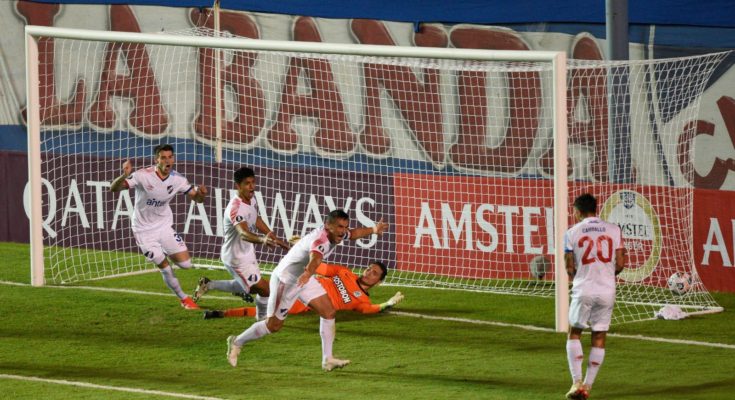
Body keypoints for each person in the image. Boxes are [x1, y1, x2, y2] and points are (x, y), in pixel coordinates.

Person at [226, 209, 388, 371]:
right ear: (327, 225)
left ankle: (327, 359)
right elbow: (315, 258)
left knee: (328, 312)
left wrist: (373, 230)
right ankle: (237, 341)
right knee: (273, 326)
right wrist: (308, 273)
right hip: (287, 280)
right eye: (339, 227)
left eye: (345, 226)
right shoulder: (320, 241)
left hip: (303, 278)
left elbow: (353, 234)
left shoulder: (337, 234)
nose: (343, 231)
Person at [109, 144, 207, 309]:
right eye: (164, 157)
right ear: (156, 160)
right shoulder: (142, 175)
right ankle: (184, 299)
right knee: (164, 266)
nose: (168, 161)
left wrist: (201, 194)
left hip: (164, 227)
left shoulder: (178, 179)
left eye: (170, 157)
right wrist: (123, 176)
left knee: (186, 264)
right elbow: (114, 188)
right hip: (143, 231)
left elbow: (197, 199)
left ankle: (166, 256)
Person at [192, 166, 289, 320]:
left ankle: (208, 284)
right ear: (238, 186)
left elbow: (256, 219)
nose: (252, 187)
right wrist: (263, 240)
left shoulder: (251, 199)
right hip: (236, 258)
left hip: (247, 252)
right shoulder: (235, 208)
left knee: (251, 286)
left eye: (253, 182)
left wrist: (275, 238)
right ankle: (262, 319)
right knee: (264, 290)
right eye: (247, 184)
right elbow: (243, 233)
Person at [563, 193, 626, 400]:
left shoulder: (572, 232)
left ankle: (576, 383)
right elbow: (620, 263)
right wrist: (608, 275)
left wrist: (577, 277)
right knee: (599, 336)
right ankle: (588, 387)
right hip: (607, 290)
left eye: (573, 211)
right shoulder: (614, 229)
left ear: (578, 212)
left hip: (584, 288)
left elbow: (569, 265)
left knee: (574, 332)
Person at [203, 261, 404, 319]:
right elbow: (320, 267)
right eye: (370, 268)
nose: (369, 272)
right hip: (301, 283)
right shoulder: (345, 273)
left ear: (378, 282)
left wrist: (387, 304)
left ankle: (222, 313)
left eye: (375, 273)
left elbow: (367, 310)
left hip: (306, 302)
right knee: (260, 286)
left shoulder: (362, 300)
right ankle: (212, 285)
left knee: (268, 313)